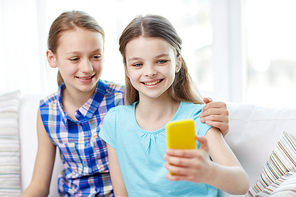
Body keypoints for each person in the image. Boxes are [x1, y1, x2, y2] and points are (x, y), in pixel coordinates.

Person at [21, 11, 230, 197]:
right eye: (74, 59)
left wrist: (215, 122)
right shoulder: (47, 111)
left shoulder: (122, 98)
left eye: (96, 56)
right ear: (52, 58)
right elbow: (39, 185)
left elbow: (165, 105)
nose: (86, 68)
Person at [99, 14, 249, 197]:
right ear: (127, 70)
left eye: (161, 61)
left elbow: (242, 183)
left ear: (177, 62)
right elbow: (121, 193)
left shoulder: (198, 117)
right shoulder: (115, 121)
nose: (150, 72)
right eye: (138, 64)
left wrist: (209, 171)